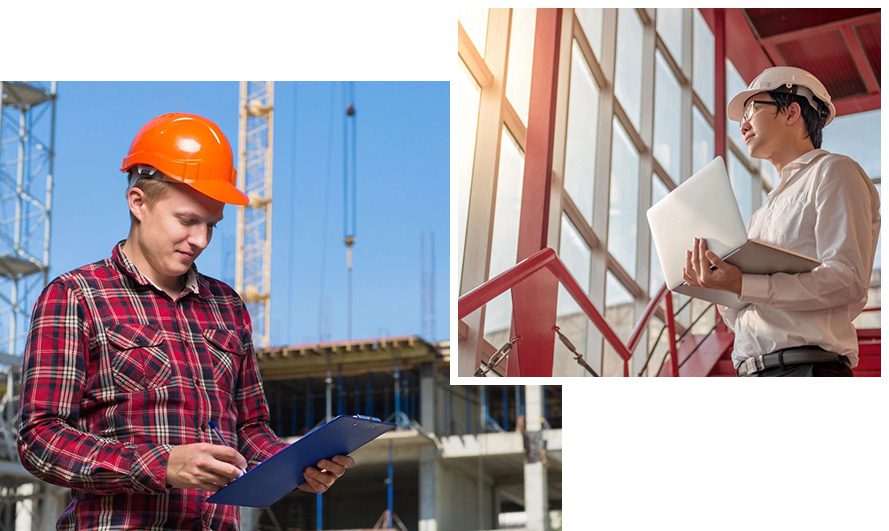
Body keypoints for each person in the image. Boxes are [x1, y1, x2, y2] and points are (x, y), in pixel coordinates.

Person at [17, 113, 354, 529]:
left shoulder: (226, 306)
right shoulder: (75, 296)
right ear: (138, 202)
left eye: (211, 225)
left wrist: (295, 464)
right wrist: (161, 465)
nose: (200, 240)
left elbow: (249, 428)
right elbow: (40, 438)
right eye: (187, 220)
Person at [682, 66, 880, 377]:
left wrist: (744, 284)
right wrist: (719, 288)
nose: (743, 125)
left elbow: (847, 280)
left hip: (809, 369)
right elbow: (750, 312)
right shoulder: (761, 215)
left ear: (791, 112)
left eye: (751, 108)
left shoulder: (834, 172)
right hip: (752, 371)